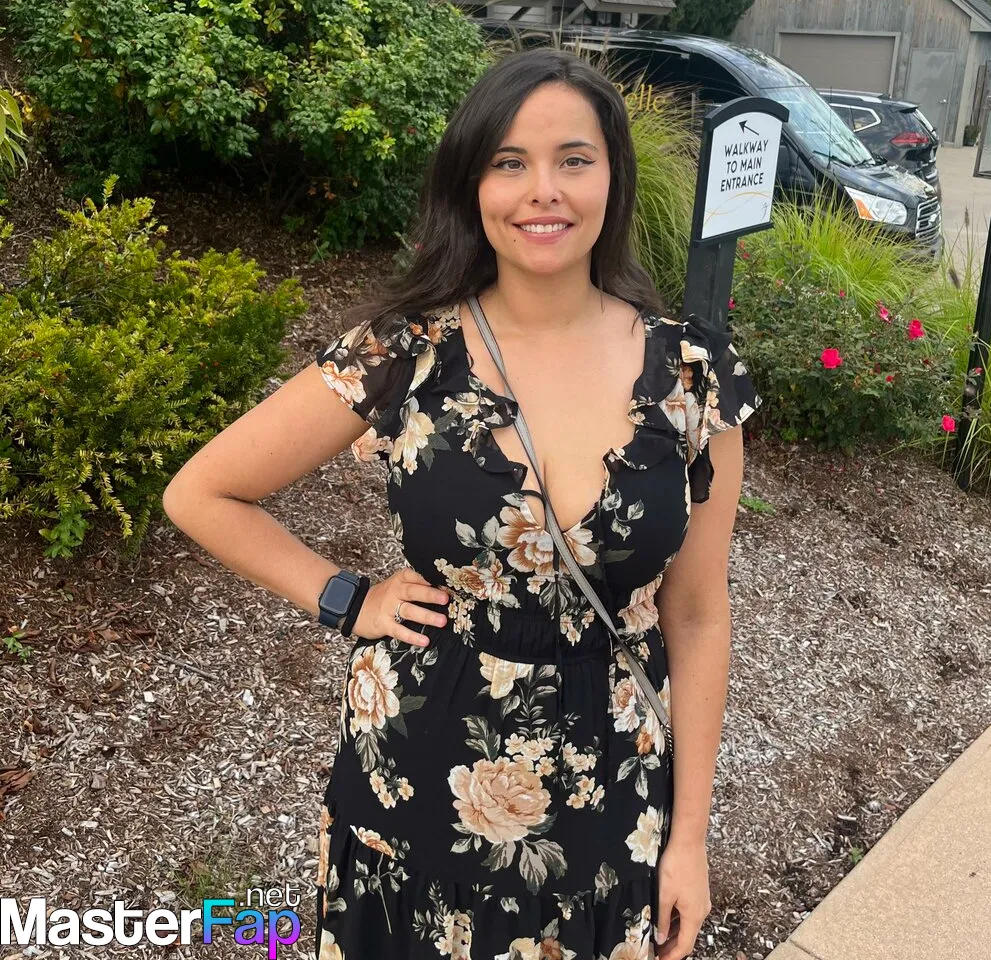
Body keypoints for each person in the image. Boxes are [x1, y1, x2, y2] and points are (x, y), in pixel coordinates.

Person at [163, 46, 762, 960]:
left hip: (613, 787)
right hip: (417, 778)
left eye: (573, 159)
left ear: (612, 177)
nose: (543, 191)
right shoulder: (404, 351)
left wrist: (689, 841)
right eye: (509, 162)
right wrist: (346, 597)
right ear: (472, 183)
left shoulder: (694, 375)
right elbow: (203, 492)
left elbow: (698, 613)